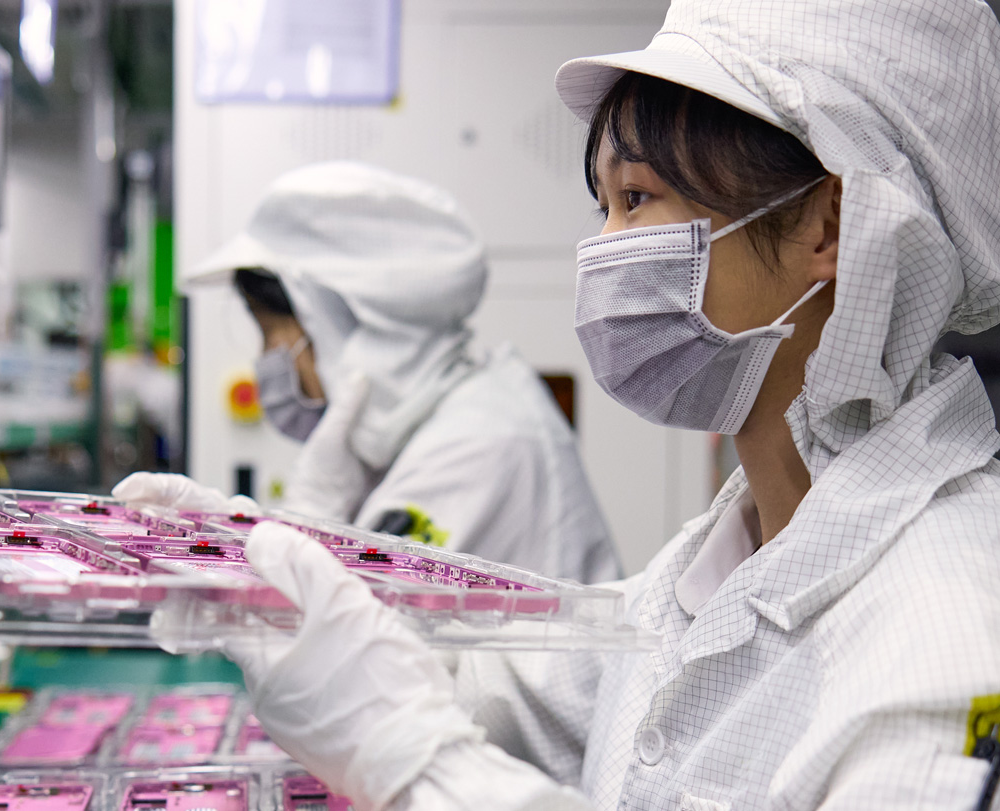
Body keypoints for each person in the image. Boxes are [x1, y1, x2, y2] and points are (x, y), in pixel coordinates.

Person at [210, 0, 1000, 808]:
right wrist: (237, 561)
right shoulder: (711, 564)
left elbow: (418, 728)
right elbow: (496, 689)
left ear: (827, 226)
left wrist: (407, 754)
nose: (602, 249)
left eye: (637, 197)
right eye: (606, 206)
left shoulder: (947, 626)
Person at [116, 162, 619, 583]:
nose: (266, 360)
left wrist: (310, 516)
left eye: (271, 334)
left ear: (331, 323)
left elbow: (347, 635)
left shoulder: (477, 446)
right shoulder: (434, 425)